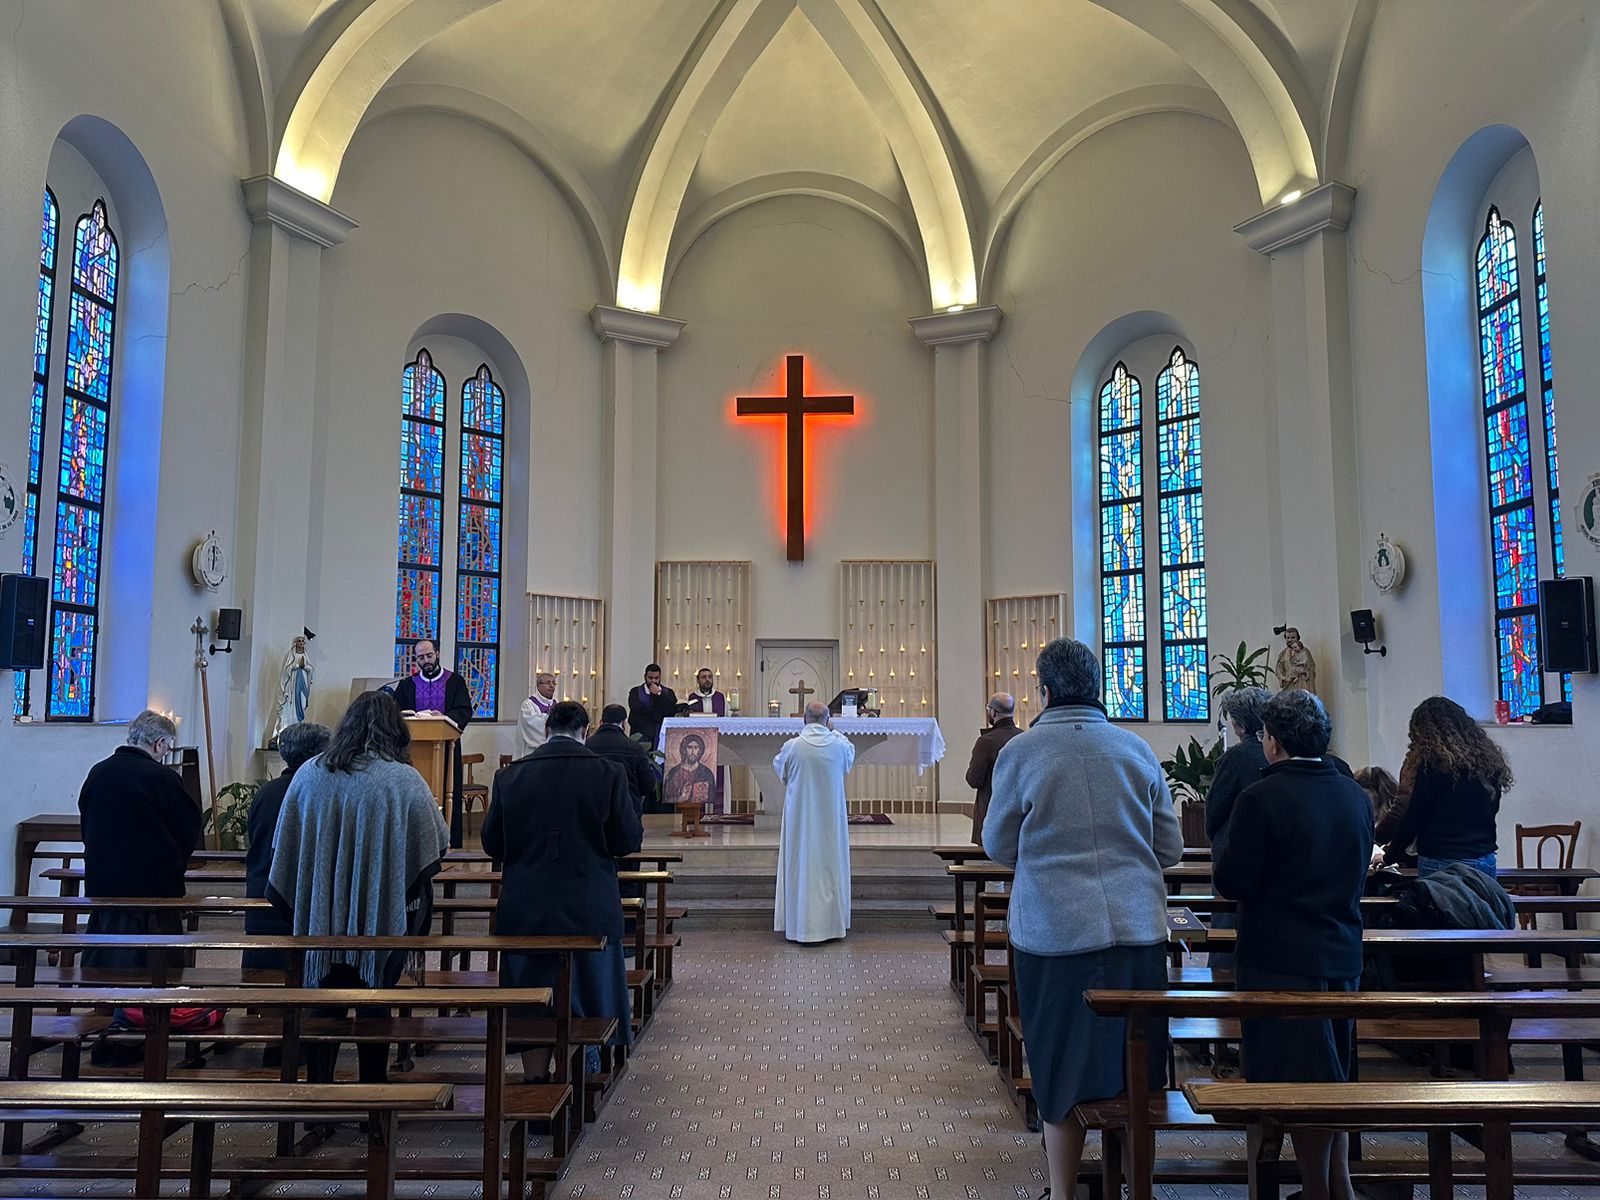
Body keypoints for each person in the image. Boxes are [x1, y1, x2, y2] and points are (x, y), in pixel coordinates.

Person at [983, 638, 1181, 1200]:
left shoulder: (1022, 753)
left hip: (1054, 932)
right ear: (1097, 687)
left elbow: (998, 844)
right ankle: (1130, 1185)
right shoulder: (1134, 749)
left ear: (1043, 691)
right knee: (1134, 1066)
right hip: (1137, 930)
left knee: (1059, 1061)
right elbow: (1168, 847)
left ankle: (1064, 1191)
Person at [1212, 689, 1373, 1200]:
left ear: (1273, 741)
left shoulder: (1261, 797)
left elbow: (1233, 882)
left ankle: (1316, 1190)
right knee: (1333, 1075)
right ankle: (1337, 1183)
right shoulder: (1352, 794)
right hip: (1342, 953)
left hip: (1279, 961)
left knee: (1296, 1085)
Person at [268, 691, 449, 1083]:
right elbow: (436, 840)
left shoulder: (310, 772)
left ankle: (318, 1086)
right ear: (396, 730)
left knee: (325, 1001)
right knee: (374, 1001)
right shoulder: (403, 778)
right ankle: (372, 1086)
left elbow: (284, 845)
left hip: (321, 914)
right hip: (383, 915)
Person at [483, 701, 643, 1076]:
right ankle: (575, 1080)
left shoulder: (511, 776)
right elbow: (625, 842)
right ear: (584, 731)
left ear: (545, 730)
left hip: (526, 907)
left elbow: (494, 844)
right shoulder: (608, 773)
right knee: (588, 994)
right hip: (588, 906)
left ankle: (535, 1083)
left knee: (529, 999)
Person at [77, 710, 203, 970]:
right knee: (153, 965)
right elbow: (188, 829)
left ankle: (101, 998)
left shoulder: (98, 773)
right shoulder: (164, 779)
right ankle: (152, 1003)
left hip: (105, 886)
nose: (167, 752)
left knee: (108, 958)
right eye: (168, 747)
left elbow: (86, 823)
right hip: (154, 889)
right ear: (158, 744)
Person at [1382, 695, 1510, 876]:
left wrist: (1389, 856)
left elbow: (1414, 816)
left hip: (1441, 859)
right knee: (1480, 905)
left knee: (1441, 905)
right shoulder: (1487, 762)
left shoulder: (1433, 764)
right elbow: (1491, 808)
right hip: (1482, 857)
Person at [244, 721, 331, 971]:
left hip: (263, 896)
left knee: (262, 979)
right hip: (299, 905)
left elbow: (255, 841)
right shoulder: (319, 792)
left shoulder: (266, 792)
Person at [774, 702, 856, 944]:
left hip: (800, 824)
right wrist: (835, 730)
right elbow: (849, 752)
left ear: (804, 719)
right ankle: (831, 926)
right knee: (830, 866)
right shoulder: (839, 745)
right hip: (830, 822)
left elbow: (781, 770)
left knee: (800, 866)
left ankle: (800, 926)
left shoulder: (792, 747)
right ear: (828, 720)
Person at [393, 638, 474, 846]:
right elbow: (396, 713)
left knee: (448, 792)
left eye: (429, 655)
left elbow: (463, 710)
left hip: (447, 749)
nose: (426, 660)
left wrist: (444, 717)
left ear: (437, 654)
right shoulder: (407, 685)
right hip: (414, 753)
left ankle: (449, 839)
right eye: (421, 657)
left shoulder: (455, 682)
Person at [1205, 686, 1271, 840]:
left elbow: (1215, 811)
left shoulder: (1235, 758)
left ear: (1241, 726)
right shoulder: (1281, 750)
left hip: (1243, 844)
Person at [964, 692, 1023, 844]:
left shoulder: (986, 742)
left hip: (991, 810)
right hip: (1019, 812)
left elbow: (974, 780)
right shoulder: (1024, 738)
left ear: (993, 712)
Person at [587, 704, 656, 814]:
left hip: (594, 810)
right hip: (627, 809)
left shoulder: (587, 745)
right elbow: (648, 782)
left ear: (601, 722)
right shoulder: (634, 748)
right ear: (624, 723)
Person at [627, 663, 678, 750]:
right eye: (650, 678)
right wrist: (659, 712)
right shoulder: (635, 692)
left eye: (656, 678)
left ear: (660, 677)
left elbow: (672, 709)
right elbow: (637, 710)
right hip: (641, 732)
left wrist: (659, 694)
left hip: (661, 733)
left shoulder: (668, 692)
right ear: (645, 677)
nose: (654, 681)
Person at [663, 733, 716, 808]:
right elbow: (667, 796)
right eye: (690, 748)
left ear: (700, 751)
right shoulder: (674, 772)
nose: (693, 752)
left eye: (696, 748)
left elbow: (711, 796)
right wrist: (681, 798)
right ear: (684, 750)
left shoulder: (707, 773)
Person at [517, 671, 558, 754]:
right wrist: (553, 720)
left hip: (554, 751)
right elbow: (533, 726)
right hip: (533, 752)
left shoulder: (557, 705)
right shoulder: (528, 705)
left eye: (554, 683)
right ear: (538, 686)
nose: (552, 686)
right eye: (548, 683)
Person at [1275, 626, 1317, 694]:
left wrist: (1300, 671)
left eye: (1293, 637)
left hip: (1302, 682)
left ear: (1298, 638)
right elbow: (1279, 667)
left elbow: (1310, 666)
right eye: (1288, 638)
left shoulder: (1305, 651)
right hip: (1288, 683)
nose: (1290, 640)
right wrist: (1282, 677)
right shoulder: (1283, 653)